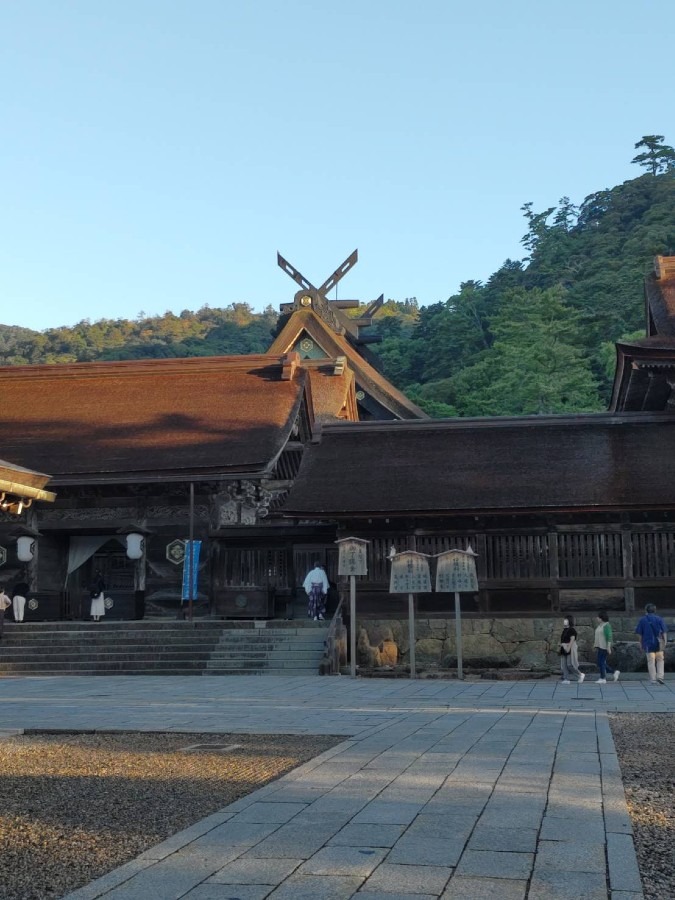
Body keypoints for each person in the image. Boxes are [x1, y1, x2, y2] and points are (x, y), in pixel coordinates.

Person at [635, 603, 668, 685]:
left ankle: (653, 679)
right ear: (655, 610)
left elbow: (639, 633)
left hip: (648, 643)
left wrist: (640, 643)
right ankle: (660, 677)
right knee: (660, 660)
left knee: (651, 661)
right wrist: (665, 642)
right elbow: (664, 632)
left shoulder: (642, 620)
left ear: (646, 610)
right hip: (659, 643)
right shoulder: (659, 619)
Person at [594, 611, 620, 683]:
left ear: (601, 618)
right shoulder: (600, 625)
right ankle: (612, 673)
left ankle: (603, 678)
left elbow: (609, 637)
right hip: (600, 646)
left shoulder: (606, 626)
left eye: (598, 617)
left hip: (604, 647)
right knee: (600, 662)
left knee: (601, 662)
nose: (597, 618)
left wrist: (608, 647)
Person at [559, 615, 585, 684]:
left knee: (570, 664)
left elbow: (572, 640)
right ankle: (566, 679)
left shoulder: (572, 630)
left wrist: (568, 648)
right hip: (563, 648)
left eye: (566, 620)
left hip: (570, 648)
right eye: (564, 620)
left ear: (570, 621)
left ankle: (580, 675)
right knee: (564, 665)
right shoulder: (564, 630)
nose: (564, 621)